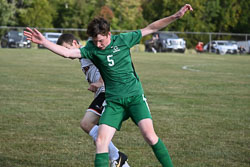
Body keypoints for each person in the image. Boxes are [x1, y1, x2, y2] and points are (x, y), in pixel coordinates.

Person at [24, 4, 193, 167]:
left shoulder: (124, 40)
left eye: (100, 40)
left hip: (135, 97)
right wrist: (44, 42)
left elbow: (151, 28)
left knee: (150, 136)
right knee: (101, 141)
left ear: (109, 34)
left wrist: (175, 16)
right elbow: (68, 53)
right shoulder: (91, 48)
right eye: (94, 41)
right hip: (113, 102)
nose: (98, 45)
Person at [56, 34, 130, 167]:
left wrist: (100, 82)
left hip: (108, 92)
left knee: (87, 125)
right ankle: (121, 162)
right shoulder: (82, 58)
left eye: (67, 48)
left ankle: (117, 157)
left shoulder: (88, 52)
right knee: (98, 138)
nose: (67, 53)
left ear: (74, 43)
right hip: (102, 93)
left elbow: (106, 64)